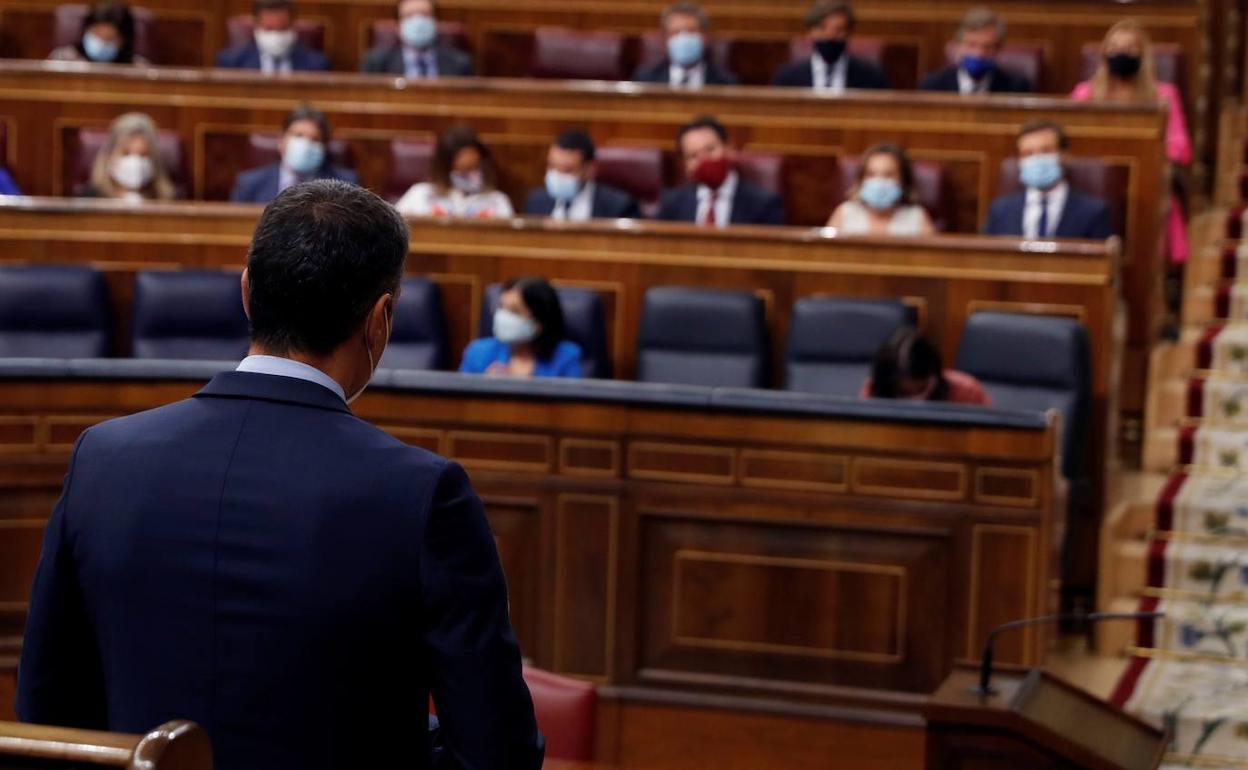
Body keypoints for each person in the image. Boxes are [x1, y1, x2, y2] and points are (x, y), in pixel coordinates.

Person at [15, 180, 545, 770]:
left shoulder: (103, 459)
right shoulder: (422, 494)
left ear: (247, 291)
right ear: (380, 319)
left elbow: (47, 720)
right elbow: (496, 753)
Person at [1071, 19, 1191, 263]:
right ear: (1104, 54)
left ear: (1143, 55)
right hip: (1092, 181)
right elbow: (1069, 138)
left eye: (1130, 48)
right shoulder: (1085, 93)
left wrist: (1146, 151)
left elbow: (1181, 148)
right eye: (1115, 48)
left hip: (1144, 184)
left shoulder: (1163, 95)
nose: (1121, 54)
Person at [983, 119, 1113, 239]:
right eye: (1028, 153)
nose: (1036, 159)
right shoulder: (1000, 211)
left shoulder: (1094, 212)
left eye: (1046, 151)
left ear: (1065, 155)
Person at [656, 115, 784, 226]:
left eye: (710, 150)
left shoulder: (763, 205)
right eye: (693, 156)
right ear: (685, 165)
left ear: (729, 148)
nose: (704, 161)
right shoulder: (671, 204)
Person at [230, 105, 359, 203]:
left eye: (315, 139)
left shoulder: (346, 185)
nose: (305, 144)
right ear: (281, 141)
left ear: (324, 147)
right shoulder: (249, 184)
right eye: (298, 135)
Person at [461, 277, 583, 378]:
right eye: (501, 306)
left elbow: (571, 399)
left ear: (539, 322)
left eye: (514, 311)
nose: (502, 315)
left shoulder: (566, 357)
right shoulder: (478, 352)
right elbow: (463, 399)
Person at [395, 125, 514, 218]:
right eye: (462, 171)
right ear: (444, 168)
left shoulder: (498, 201)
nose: (469, 177)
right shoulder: (419, 195)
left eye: (473, 168)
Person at [771, 1, 889, 92]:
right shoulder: (787, 77)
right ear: (810, 31)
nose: (830, 36)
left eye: (839, 30)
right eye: (822, 28)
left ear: (849, 33)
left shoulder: (871, 77)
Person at [523, 130, 640, 221]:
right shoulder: (535, 201)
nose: (557, 176)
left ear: (589, 170)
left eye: (567, 170)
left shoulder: (619, 206)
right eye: (552, 167)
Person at [861, 328, 991, 405]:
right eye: (904, 393)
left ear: (935, 374)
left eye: (921, 389)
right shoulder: (875, 389)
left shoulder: (968, 392)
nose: (914, 401)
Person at [827, 143, 934, 236]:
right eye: (871, 174)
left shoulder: (917, 217)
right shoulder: (844, 213)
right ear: (861, 180)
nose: (879, 181)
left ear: (903, 180)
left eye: (888, 175)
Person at [919, 7, 1032, 94]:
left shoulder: (1016, 87)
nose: (979, 54)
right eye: (971, 45)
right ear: (958, 46)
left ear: (998, 49)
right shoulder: (933, 86)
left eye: (987, 47)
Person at [631, 2, 739, 88]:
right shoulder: (645, 80)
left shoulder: (727, 83)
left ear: (705, 37)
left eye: (691, 31)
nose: (684, 38)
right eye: (675, 32)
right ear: (665, 39)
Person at [75, 112, 176, 201]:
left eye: (143, 155)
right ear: (109, 156)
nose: (135, 161)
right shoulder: (88, 200)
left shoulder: (168, 201)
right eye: (126, 153)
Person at [360, 0, 474, 78]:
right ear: (398, 26)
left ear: (436, 22)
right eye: (409, 16)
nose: (418, 22)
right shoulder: (375, 63)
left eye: (425, 15)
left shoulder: (460, 64)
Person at [215, 0, 329, 73]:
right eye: (269, 29)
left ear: (293, 26)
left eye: (282, 29)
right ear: (256, 26)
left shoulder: (317, 64)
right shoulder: (231, 63)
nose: (276, 35)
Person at [48, 1, 149, 65]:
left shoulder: (138, 70)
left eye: (109, 38)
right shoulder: (61, 61)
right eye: (96, 34)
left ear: (125, 40)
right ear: (85, 30)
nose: (101, 42)